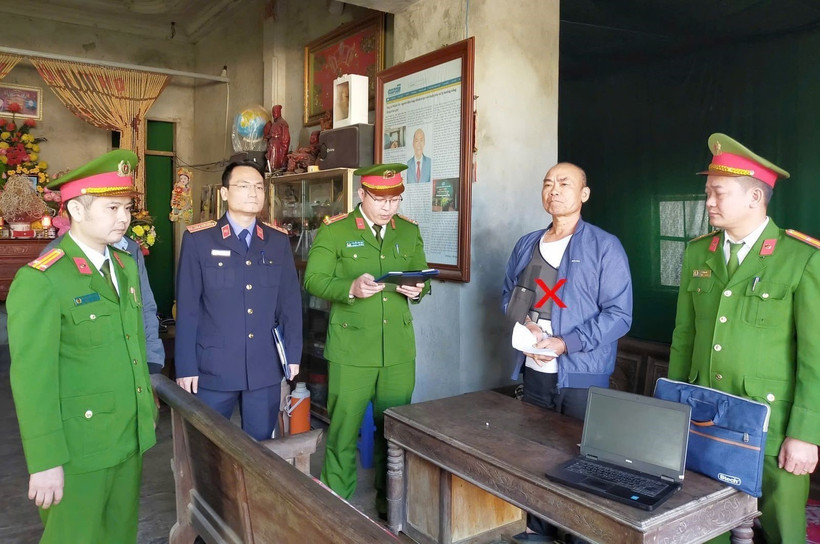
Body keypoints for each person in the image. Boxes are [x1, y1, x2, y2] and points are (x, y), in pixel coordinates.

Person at [669, 133, 819, 544]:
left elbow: (815, 356)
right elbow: (684, 337)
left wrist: (805, 433)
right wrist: (672, 411)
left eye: (718, 192)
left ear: (755, 197)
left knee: (784, 532)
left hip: (772, 429)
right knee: (704, 529)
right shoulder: (698, 253)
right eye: (707, 193)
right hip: (704, 420)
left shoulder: (800, 257)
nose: (708, 202)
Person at [7, 149, 157, 543]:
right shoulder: (43, 279)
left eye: (127, 208)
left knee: (120, 535)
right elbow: (32, 379)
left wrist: (145, 412)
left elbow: (133, 345)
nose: (124, 218)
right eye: (112, 208)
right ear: (76, 208)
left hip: (127, 436)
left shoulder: (124, 266)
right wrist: (45, 460)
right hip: (79, 449)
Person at [501, 162, 633, 542]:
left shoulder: (605, 246)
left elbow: (620, 315)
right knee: (536, 452)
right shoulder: (527, 244)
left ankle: (579, 535)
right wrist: (526, 325)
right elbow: (508, 296)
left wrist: (564, 343)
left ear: (584, 194)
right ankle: (538, 529)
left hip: (583, 374)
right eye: (548, 183)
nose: (554, 190)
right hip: (534, 369)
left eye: (564, 183)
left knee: (581, 458)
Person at [304, 163, 431, 517]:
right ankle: (336, 507)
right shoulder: (336, 230)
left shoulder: (408, 231)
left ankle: (390, 507)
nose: (388, 207)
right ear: (361, 194)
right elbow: (313, 279)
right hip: (351, 350)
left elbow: (422, 276)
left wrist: (418, 289)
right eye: (380, 200)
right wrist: (350, 288)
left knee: (393, 432)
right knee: (343, 430)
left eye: (395, 200)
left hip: (397, 351)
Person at [174, 160, 302, 441]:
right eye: (243, 186)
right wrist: (186, 366)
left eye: (259, 187)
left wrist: (292, 354)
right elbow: (188, 309)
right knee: (208, 446)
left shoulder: (277, 241)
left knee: (260, 448)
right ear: (224, 193)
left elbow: (290, 304)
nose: (253, 193)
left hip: (264, 365)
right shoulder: (200, 240)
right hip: (214, 366)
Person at [44, 234, 165, 375]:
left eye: (127, 212)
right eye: (112, 211)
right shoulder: (56, 254)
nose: (123, 221)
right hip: (87, 370)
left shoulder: (130, 249)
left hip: (134, 362)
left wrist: (152, 356)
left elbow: (146, 305)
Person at [264, 104, 291, 171]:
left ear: (279, 112)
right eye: (273, 112)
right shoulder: (274, 123)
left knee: (274, 163)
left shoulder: (283, 123)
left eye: (275, 112)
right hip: (271, 146)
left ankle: (273, 168)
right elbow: (271, 134)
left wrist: (283, 149)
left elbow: (286, 138)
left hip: (276, 147)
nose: (274, 114)